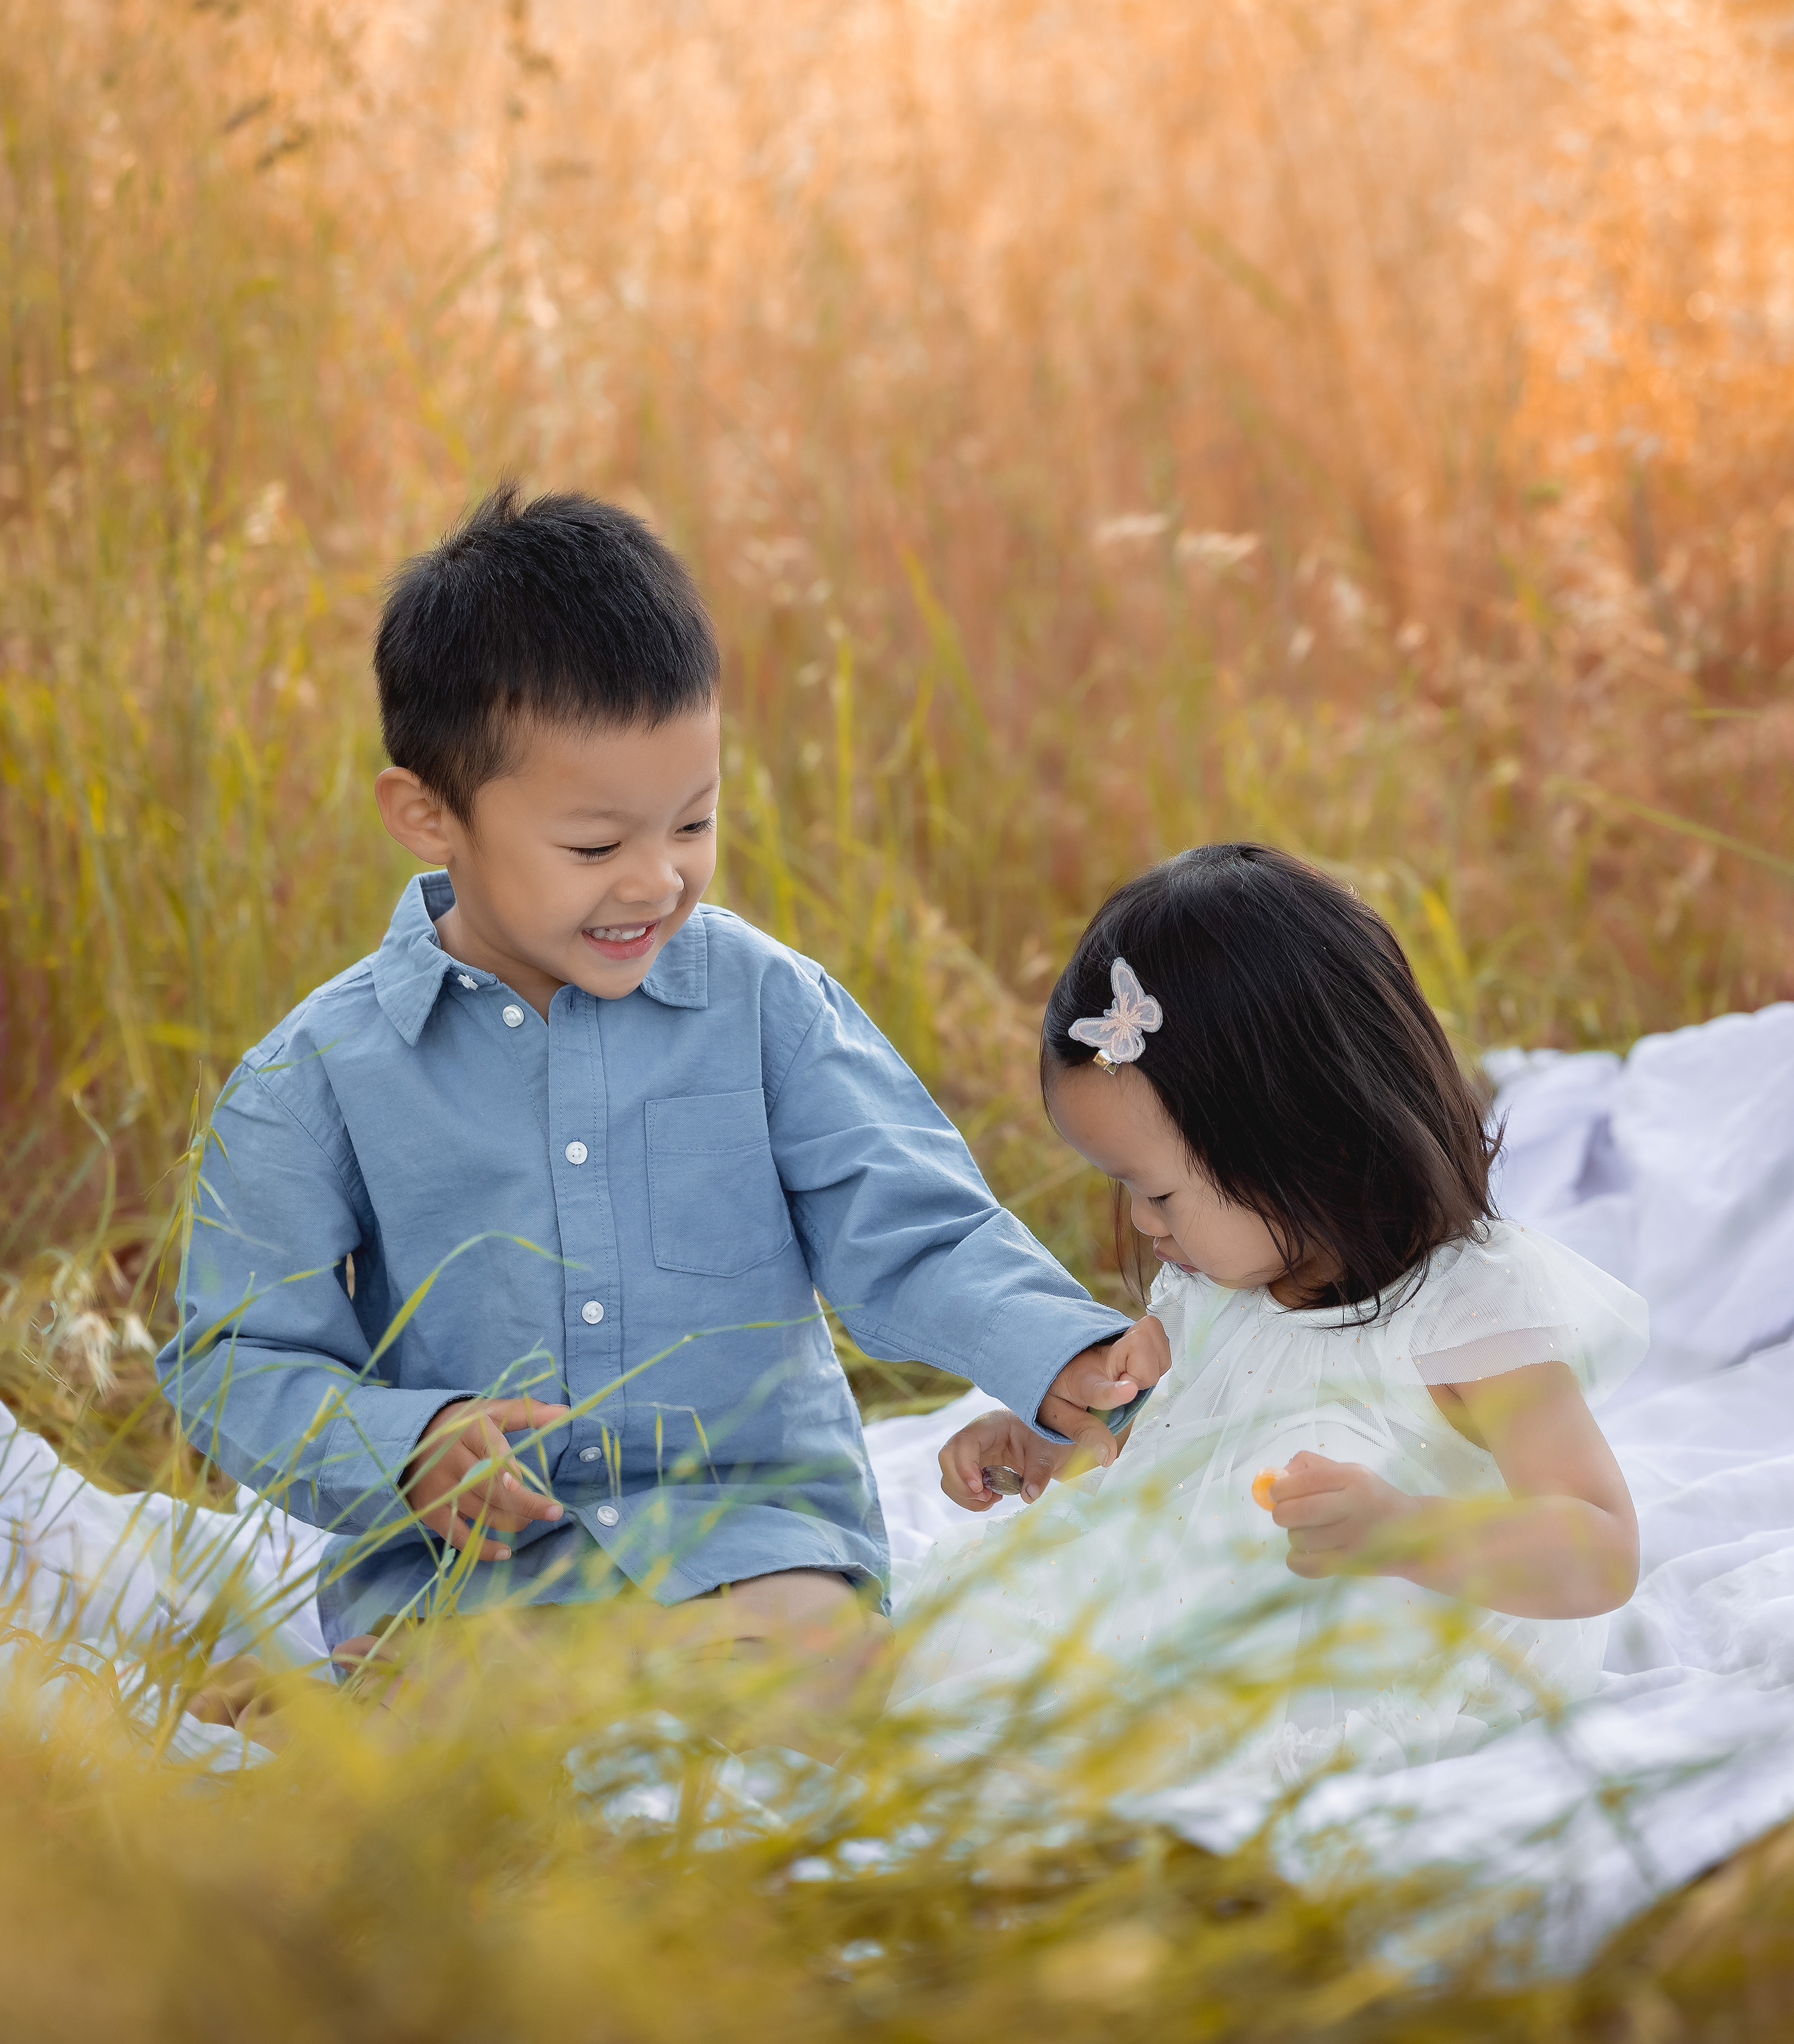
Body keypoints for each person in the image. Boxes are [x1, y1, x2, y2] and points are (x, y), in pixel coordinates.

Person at [156, 487, 1134, 1675]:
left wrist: (1058, 1355)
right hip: (470, 1569)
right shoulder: (317, 1075)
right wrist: (403, 1443)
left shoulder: (765, 1008)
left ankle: (509, 1700)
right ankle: (399, 1704)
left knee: (816, 1674)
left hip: (750, 1533)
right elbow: (237, 1356)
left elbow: (914, 1227)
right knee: (467, 1728)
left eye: (693, 824)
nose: (656, 882)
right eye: (595, 846)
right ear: (428, 814)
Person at [893, 844, 1647, 1787]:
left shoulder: (1469, 1311)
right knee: (994, 1677)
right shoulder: (1211, 1291)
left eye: (1160, 1193)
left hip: (1364, 1642)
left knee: (1171, 1737)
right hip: (1198, 1600)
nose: (1142, 1223)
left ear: (1301, 1139)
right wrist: (1052, 1448)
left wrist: (1404, 1530)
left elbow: (1603, 1546)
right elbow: (1166, 1452)